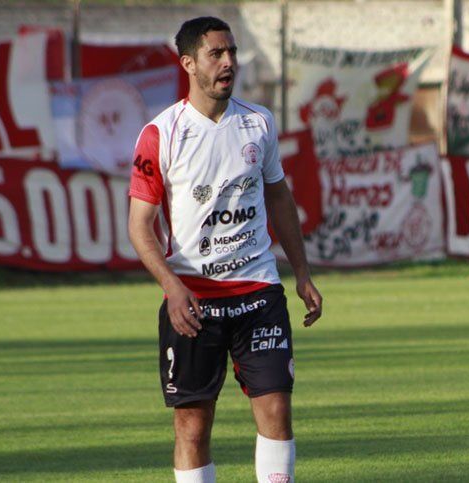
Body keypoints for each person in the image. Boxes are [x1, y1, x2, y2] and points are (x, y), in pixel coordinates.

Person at [128, 16, 322, 483]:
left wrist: (302, 273)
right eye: (216, 53)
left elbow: (279, 196)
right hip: (194, 301)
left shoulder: (258, 122)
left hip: (258, 290)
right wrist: (172, 287)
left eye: (231, 51)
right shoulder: (161, 134)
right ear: (188, 63)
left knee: (276, 409)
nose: (228, 62)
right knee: (192, 427)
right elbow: (139, 226)